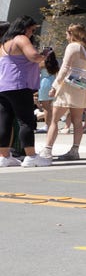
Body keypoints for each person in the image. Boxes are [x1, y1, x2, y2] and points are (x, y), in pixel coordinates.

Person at [0, 16, 51, 167]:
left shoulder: (4, 43)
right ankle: (31, 156)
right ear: (24, 27)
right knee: (26, 121)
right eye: (32, 29)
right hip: (19, 85)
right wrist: (45, 54)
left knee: (5, 121)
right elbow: (33, 56)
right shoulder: (20, 38)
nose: (32, 33)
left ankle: (4, 156)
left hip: (3, 87)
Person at [42, 24, 86, 161]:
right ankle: (75, 149)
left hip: (69, 87)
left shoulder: (72, 46)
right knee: (77, 121)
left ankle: (47, 149)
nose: (66, 36)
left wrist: (54, 86)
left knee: (54, 120)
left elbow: (65, 68)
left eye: (67, 33)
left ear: (71, 34)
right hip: (81, 87)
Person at [37, 51, 59, 132]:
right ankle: (53, 124)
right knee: (52, 107)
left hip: (44, 83)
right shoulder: (55, 63)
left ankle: (47, 125)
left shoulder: (42, 63)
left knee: (46, 107)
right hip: (53, 83)